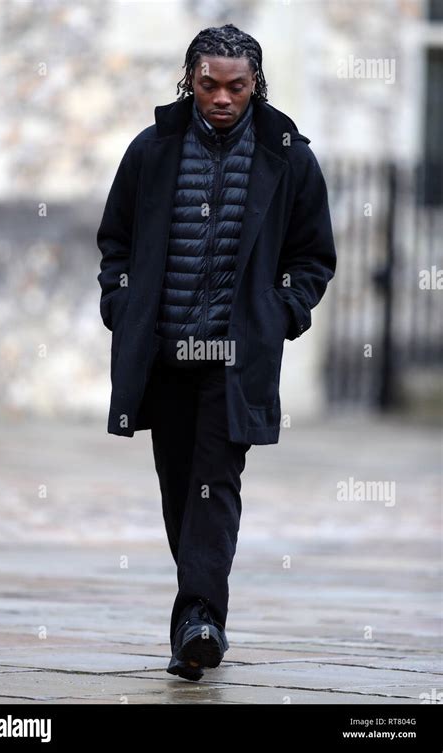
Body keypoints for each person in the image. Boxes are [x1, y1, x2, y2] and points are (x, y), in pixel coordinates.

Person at [96, 23, 337, 681]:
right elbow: (114, 244)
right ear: (189, 81)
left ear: (255, 83)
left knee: (215, 488)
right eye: (210, 86)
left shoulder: (290, 158)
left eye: (236, 86)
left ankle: (201, 620)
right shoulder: (150, 152)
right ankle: (195, 618)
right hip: (164, 356)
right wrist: (121, 306)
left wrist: (280, 314)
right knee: (181, 491)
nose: (223, 98)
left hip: (235, 362)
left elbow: (314, 256)